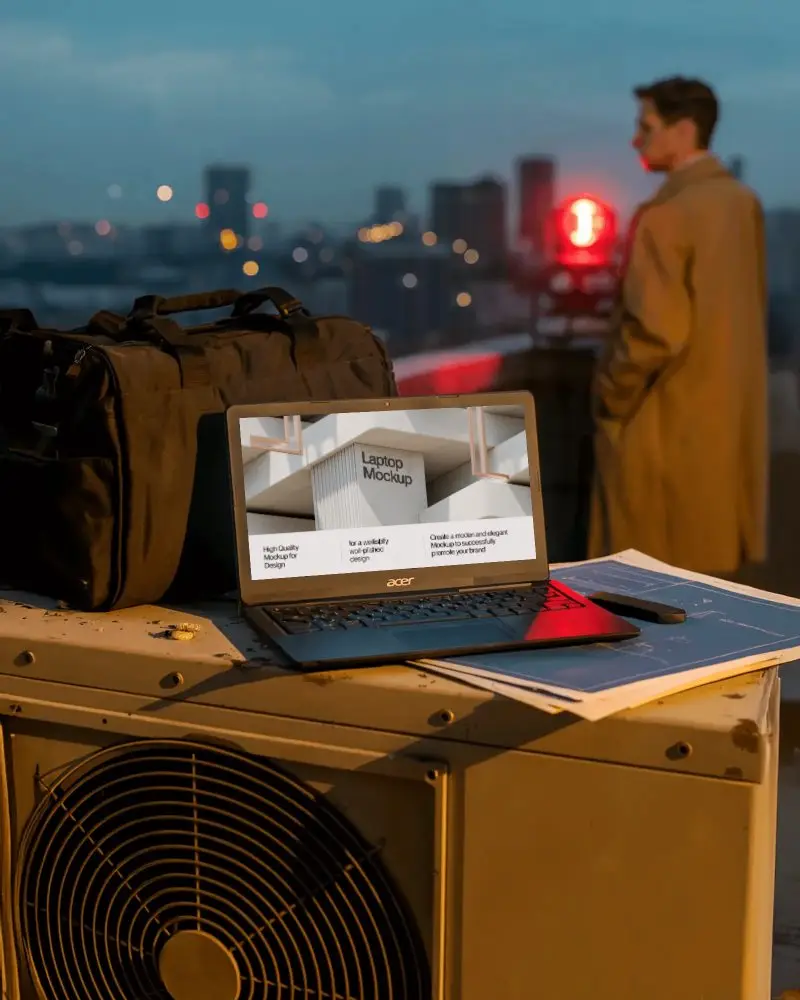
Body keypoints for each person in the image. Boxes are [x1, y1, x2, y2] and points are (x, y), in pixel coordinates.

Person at [588, 76, 768, 575]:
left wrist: (609, 400)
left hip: (662, 432)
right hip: (721, 426)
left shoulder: (667, 215)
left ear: (683, 129)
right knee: (712, 595)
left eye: (646, 126)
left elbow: (653, 334)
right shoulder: (739, 203)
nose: (635, 140)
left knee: (644, 589)